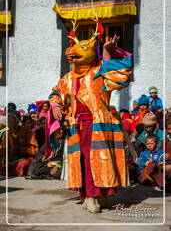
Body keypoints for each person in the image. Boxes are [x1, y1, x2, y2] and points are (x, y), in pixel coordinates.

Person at [47, 25, 133, 214]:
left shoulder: (97, 72)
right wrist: (55, 105)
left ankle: (96, 195)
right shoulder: (68, 78)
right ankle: (89, 195)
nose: (73, 53)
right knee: (82, 161)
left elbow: (117, 75)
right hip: (76, 126)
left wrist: (107, 51)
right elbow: (55, 92)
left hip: (98, 125)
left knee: (99, 160)